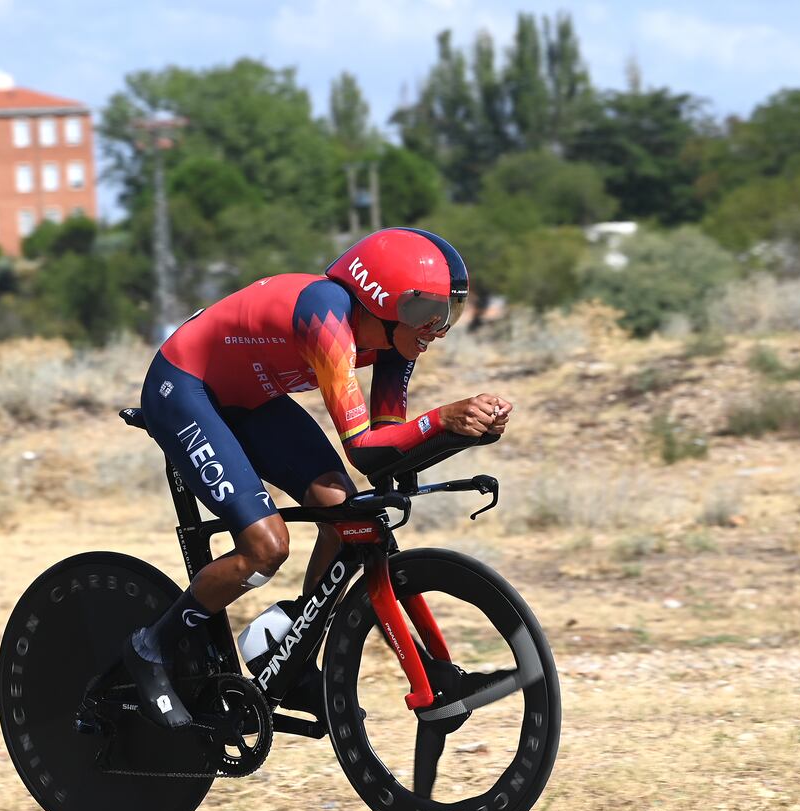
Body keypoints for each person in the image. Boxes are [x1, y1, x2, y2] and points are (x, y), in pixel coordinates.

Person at [122, 227, 512, 727]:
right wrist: (443, 420)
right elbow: (365, 451)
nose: (436, 328)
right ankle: (150, 649)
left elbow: (391, 443)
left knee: (343, 512)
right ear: (381, 298)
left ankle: (289, 652)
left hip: (248, 400)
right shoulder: (325, 315)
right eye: (426, 312)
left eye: (448, 314)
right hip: (184, 387)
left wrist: (469, 432)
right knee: (266, 547)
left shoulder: (396, 344)